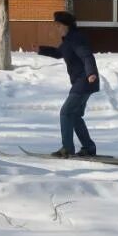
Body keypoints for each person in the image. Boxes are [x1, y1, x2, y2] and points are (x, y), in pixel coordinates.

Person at [38, 11, 99, 158]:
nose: (57, 28)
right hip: (82, 82)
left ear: (65, 25)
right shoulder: (68, 40)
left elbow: (87, 56)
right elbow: (59, 53)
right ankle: (88, 148)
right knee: (75, 115)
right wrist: (40, 49)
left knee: (65, 113)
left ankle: (67, 148)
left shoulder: (76, 39)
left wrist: (91, 73)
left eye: (58, 25)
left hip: (84, 81)